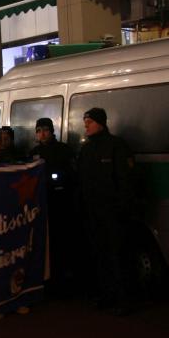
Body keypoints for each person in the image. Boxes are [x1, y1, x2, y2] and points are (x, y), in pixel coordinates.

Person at [77, 108, 135, 316]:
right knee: (100, 254)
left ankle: (125, 298)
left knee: (118, 255)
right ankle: (106, 294)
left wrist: (121, 207)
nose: (86, 126)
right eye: (85, 122)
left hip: (113, 212)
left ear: (100, 123)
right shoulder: (86, 149)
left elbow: (125, 181)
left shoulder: (116, 146)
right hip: (94, 212)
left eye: (89, 122)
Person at [28, 118, 76, 295]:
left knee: (61, 240)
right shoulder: (33, 153)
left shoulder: (63, 150)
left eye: (45, 130)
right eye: (38, 130)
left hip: (60, 203)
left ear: (52, 131)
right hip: (42, 205)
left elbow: (71, 174)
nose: (42, 134)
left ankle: (64, 280)